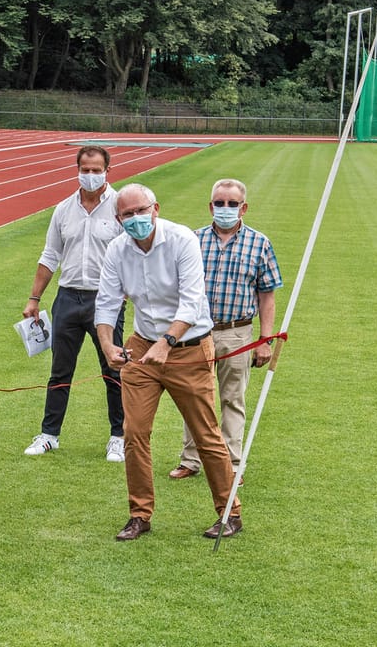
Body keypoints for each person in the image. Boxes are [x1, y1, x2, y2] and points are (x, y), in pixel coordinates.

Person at [95, 183, 242, 542]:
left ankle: (229, 512)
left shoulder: (181, 241)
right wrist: (108, 346)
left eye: (140, 211)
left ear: (155, 209)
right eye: (127, 215)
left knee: (206, 434)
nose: (135, 219)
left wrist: (168, 342)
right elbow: (106, 303)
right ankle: (139, 514)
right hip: (141, 347)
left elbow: (192, 302)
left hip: (188, 348)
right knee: (134, 433)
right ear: (118, 219)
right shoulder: (117, 250)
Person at [168, 179, 282, 482]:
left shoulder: (260, 243)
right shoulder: (192, 240)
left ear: (243, 207)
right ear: (210, 206)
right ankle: (191, 459)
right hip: (196, 333)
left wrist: (264, 340)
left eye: (232, 204)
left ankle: (231, 464)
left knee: (233, 399)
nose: (225, 209)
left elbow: (267, 293)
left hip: (238, 333)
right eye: (220, 203)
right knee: (194, 398)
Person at [21, 146, 127, 462]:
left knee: (114, 369)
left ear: (108, 170)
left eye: (96, 170)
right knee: (60, 371)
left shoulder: (121, 207)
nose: (90, 175)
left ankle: (119, 436)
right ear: (77, 169)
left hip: (106, 299)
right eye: (85, 169)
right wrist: (34, 297)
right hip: (67, 297)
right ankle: (49, 435)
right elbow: (50, 254)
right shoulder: (64, 209)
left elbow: (134, 253)